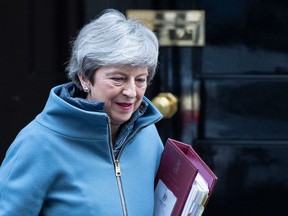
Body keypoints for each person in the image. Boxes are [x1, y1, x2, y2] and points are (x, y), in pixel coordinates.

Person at [0, 9, 164, 216]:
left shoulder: (147, 135)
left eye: (140, 80)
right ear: (84, 78)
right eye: (118, 79)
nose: (131, 92)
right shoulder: (38, 143)